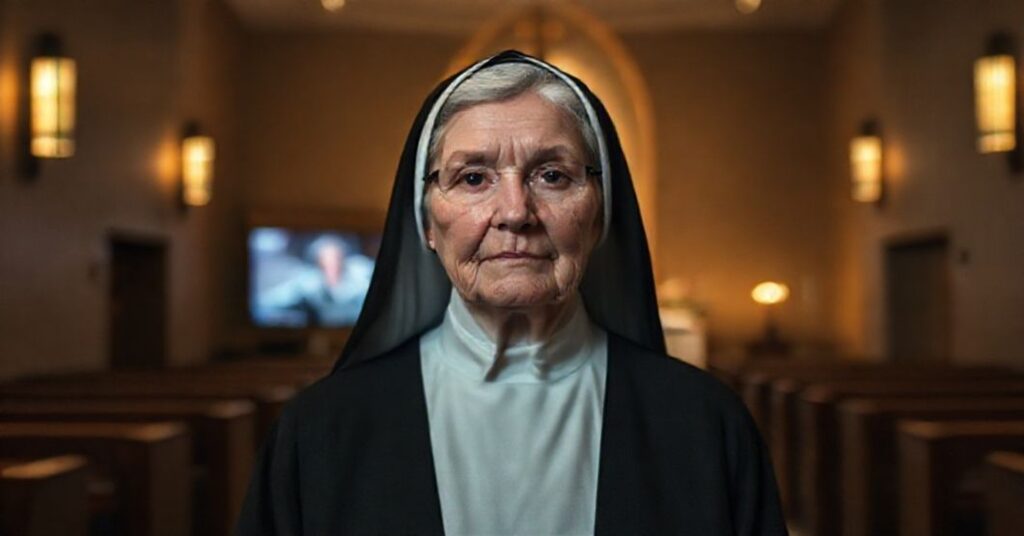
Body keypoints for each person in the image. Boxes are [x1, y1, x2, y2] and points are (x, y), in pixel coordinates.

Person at [236, 50, 787, 535]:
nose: (516, 213)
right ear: (426, 223)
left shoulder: (704, 424)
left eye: (553, 175)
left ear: (600, 215)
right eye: (473, 178)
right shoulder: (320, 432)